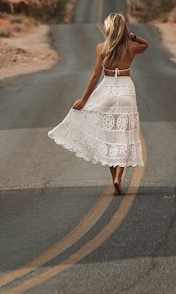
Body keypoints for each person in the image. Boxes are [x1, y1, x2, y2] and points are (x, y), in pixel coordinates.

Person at [47, 11, 147, 194]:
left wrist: (83, 99)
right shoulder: (131, 48)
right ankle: (119, 178)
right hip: (126, 90)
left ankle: (113, 179)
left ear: (108, 28)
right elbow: (146, 45)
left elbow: (95, 77)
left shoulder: (102, 48)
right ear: (124, 29)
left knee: (108, 136)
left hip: (107, 88)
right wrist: (132, 36)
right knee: (124, 135)